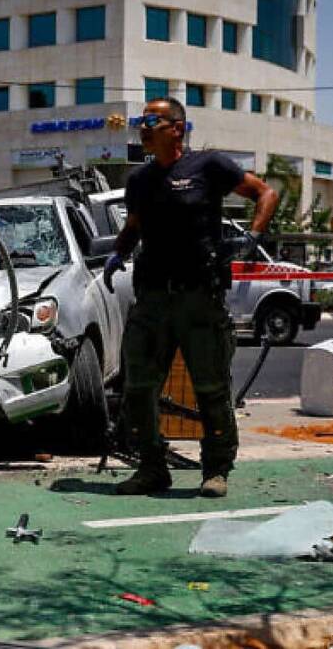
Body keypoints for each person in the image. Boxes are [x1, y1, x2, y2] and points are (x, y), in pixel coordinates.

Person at [103, 96, 278, 498]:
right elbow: (134, 225)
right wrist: (118, 252)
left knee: (210, 385)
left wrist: (254, 235)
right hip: (151, 298)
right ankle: (151, 468)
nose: (143, 128)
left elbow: (265, 194)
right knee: (139, 386)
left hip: (199, 295)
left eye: (152, 121)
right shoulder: (139, 181)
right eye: (139, 121)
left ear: (177, 128)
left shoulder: (208, 165)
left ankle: (215, 470)